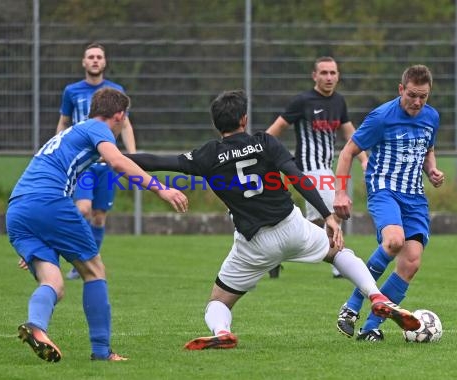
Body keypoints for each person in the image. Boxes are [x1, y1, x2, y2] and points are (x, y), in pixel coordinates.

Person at [124, 89, 420, 350]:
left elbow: (158, 161)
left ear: (217, 124)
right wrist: (327, 214)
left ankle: (223, 331)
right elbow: (297, 178)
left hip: (254, 243)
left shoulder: (207, 155)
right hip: (292, 227)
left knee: (218, 301)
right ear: (244, 119)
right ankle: (377, 296)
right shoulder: (264, 142)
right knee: (340, 254)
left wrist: (115, 156)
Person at [7, 88, 188, 362]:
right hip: (48, 201)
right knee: (94, 271)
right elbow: (117, 162)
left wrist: (38, 234)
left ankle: (36, 325)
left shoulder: (72, 132)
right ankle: (102, 352)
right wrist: (162, 189)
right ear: (119, 115)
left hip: (18, 209)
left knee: (53, 282)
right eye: (124, 120)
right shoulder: (97, 128)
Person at [334, 64, 445, 341]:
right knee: (394, 241)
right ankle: (351, 307)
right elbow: (348, 151)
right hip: (384, 190)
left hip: (415, 197)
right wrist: (340, 193)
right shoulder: (382, 117)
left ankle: (371, 327)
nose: (417, 102)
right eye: (412, 95)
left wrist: (431, 169)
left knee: (411, 263)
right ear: (401, 89)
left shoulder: (431, 117)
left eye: (423, 96)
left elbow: (427, 149)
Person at [266, 56, 367, 279]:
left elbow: (351, 133)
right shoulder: (302, 101)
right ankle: (338, 262)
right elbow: (278, 127)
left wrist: (364, 159)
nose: (329, 77)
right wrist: (259, 150)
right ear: (314, 76)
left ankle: (275, 254)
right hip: (308, 169)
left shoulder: (339, 101)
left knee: (313, 221)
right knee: (334, 209)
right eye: (324, 73)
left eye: (333, 73)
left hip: (326, 168)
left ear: (338, 75)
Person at [55, 42, 137, 280]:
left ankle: (88, 261)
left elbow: (126, 125)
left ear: (104, 62)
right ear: (83, 62)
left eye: (99, 57)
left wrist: (131, 156)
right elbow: (64, 122)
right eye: (90, 56)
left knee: (99, 216)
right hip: (84, 164)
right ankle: (77, 256)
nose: (94, 60)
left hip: (107, 164)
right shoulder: (72, 91)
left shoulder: (115, 90)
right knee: (83, 209)